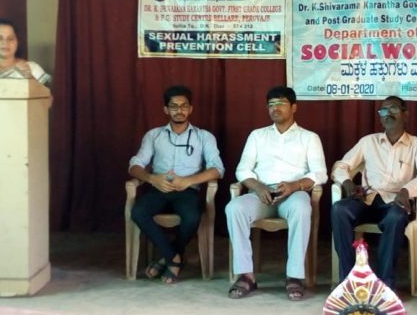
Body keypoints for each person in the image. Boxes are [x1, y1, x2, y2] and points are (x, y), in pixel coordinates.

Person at [225, 86, 327, 301]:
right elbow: (242, 170)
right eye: (271, 104)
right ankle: (246, 275)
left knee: (301, 207)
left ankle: (294, 276)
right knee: (234, 208)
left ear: (294, 107)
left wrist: (294, 185)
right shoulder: (257, 135)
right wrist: (258, 187)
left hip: (293, 193)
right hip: (262, 193)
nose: (275, 108)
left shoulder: (309, 138)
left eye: (280, 103)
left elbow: (320, 174)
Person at [331, 96, 417, 289]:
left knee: (396, 218)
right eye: (383, 111)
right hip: (367, 199)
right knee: (339, 209)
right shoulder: (368, 142)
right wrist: (347, 182)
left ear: (406, 115)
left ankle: (385, 284)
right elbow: (341, 166)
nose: (387, 114)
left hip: (395, 203)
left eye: (393, 109)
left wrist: (406, 190)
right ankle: (348, 280)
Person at [128, 85, 224, 284]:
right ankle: (174, 257)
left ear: (190, 109)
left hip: (187, 190)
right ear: (166, 109)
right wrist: (153, 179)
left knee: (192, 216)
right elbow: (135, 165)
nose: (179, 110)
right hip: (159, 188)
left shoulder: (204, 137)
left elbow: (217, 169)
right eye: (174, 106)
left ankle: (167, 257)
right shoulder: (153, 135)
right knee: (138, 212)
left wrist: (188, 181)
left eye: (184, 106)